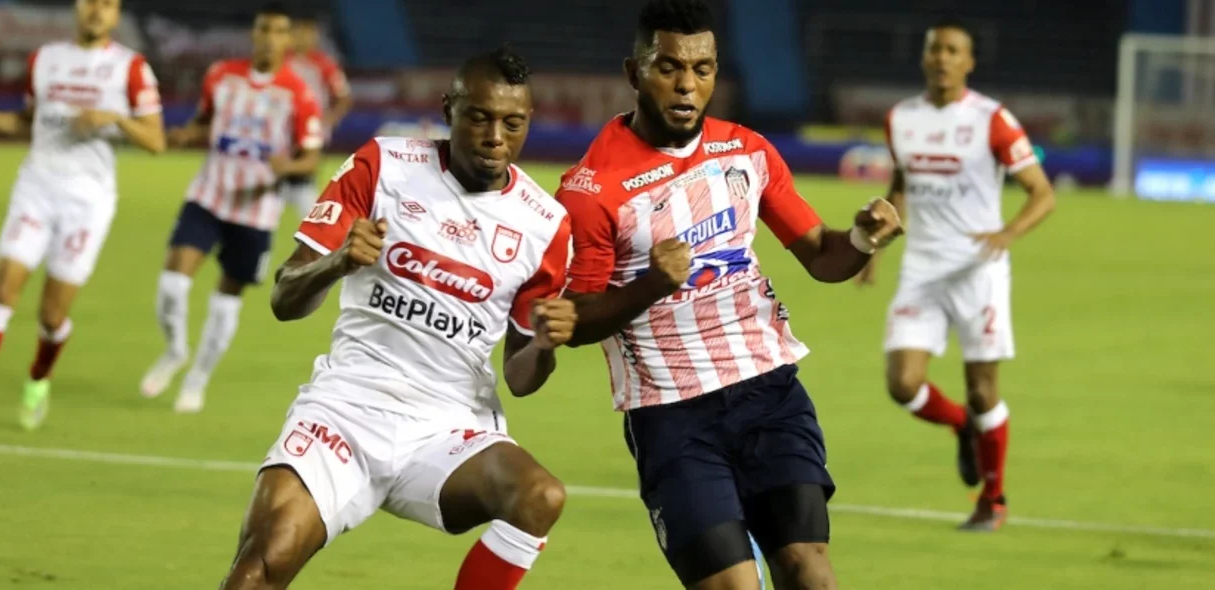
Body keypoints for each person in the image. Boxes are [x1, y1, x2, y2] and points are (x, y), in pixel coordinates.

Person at [555, 1, 904, 588]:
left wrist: (864, 240)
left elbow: (822, 254)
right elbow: (576, 322)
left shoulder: (747, 151)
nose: (687, 85)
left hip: (768, 391)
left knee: (810, 572)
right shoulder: (591, 189)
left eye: (703, 68)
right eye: (668, 67)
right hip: (671, 413)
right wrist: (651, 284)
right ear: (634, 72)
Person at [219, 46, 574, 590]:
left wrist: (544, 346)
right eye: (479, 116)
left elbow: (520, 379)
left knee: (539, 497)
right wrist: (338, 262)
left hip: (449, 427)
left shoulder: (545, 224)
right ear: (449, 108)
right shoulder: (383, 165)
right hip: (345, 409)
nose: (495, 136)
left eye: (513, 123)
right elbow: (284, 299)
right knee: (256, 571)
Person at [855, 19, 1055, 531]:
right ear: (924, 59)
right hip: (922, 267)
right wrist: (876, 246)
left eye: (952, 50)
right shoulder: (901, 119)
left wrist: (1006, 235)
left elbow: (1042, 191)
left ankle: (994, 500)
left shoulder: (993, 120)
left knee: (984, 389)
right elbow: (900, 185)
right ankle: (962, 426)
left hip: (978, 271)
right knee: (903, 384)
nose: (941, 58)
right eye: (934, 50)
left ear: (968, 62)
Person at [0, 0, 164, 433]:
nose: (96, 11)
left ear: (116, 14)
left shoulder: (130, 68)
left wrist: (113, 118)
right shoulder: (45, 60)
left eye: (107, 4)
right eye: (89, 2)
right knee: (3, 289)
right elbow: (32, 120)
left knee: (51, 317)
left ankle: (39, 378)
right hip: (36, 187)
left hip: (88, 201)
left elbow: (156, 140)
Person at [138, 1, 323, 414]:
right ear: (253, 34)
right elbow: (206, 121)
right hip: (209, 195)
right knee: (172, 285)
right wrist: (188, 134)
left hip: (256, 211)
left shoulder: (299, 94)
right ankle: (174, 351)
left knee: (226, 300)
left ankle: (198, 378)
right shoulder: (221, 75)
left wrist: (289, 165)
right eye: (263, 29)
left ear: (288, 40)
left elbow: (311, 156)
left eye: (278, 31)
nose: (269, 37)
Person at [281, 10, 352, 218]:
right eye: (300, 32)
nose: (304, 37)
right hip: (280, 129)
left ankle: (314, 223)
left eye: (309, 33)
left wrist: (328, 120)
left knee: (301, 177)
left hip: (309, 131)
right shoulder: (281, 60)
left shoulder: (324, 64)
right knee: (279, 175)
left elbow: (344, 97)